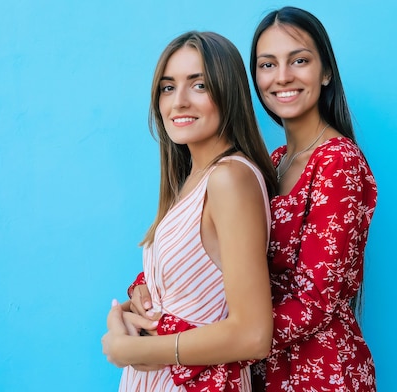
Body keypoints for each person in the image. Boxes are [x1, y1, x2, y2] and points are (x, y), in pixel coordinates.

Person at [128, 7, 378, 392]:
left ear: (326, 72)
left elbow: (315, 300)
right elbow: (220, 255)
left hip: (317, 372)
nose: (282, 77)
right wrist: (150, 289)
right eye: (266, 64)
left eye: (299, 60)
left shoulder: (338, 161)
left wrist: (187, 336)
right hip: (257, 371)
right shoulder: (274, 163)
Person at [101, 31, 279, 392]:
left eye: (198, 85)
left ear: (227, 92)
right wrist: (138, 305)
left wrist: (132, 348)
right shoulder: (191, 180)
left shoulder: (229, 179)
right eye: (168, 88)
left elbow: (254, 334)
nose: (178, 101)